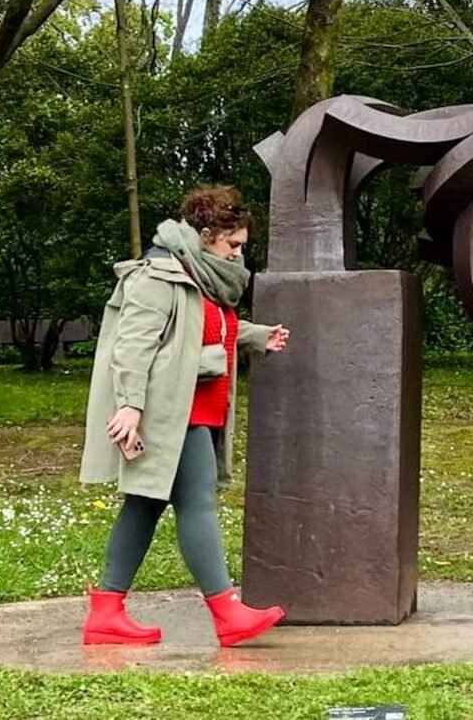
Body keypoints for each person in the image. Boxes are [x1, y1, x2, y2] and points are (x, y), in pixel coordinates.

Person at [79, 185, 290, 648]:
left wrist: (256, 336)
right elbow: (133, 345)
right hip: (172, 414)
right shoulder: (159, 275)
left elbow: (201, 329)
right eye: (233, 244)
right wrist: (130, 406)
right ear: (206, 234)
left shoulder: (199, 275)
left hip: (197, 410)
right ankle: (226, 612)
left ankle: (106, 612)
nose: (237, 255)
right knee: (197, 503)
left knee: (144, 505)